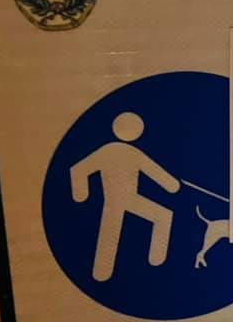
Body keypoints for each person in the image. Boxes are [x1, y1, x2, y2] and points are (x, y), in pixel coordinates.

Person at [70, 111, 180, 282]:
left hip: (129, 199)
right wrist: (81, 195)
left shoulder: (125, 152)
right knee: (112, 232)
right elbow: (78, 170)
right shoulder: (112, 152)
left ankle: (156, 260)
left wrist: (172, 185)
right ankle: (102, 273)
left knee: (162, 216)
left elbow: (156, 173)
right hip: (115, 200)